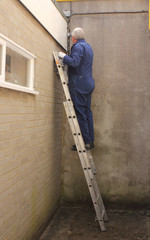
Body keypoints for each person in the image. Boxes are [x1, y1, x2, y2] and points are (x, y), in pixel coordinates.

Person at [58, 27, 95, 151]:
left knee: (79, 112)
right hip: (88, 83)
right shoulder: (88, 47)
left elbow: (74, 62)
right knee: (87, 112)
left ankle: (84, 142)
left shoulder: (78, 47)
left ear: (74, 38)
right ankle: (90, 140)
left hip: (79, 83)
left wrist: (63, 57)